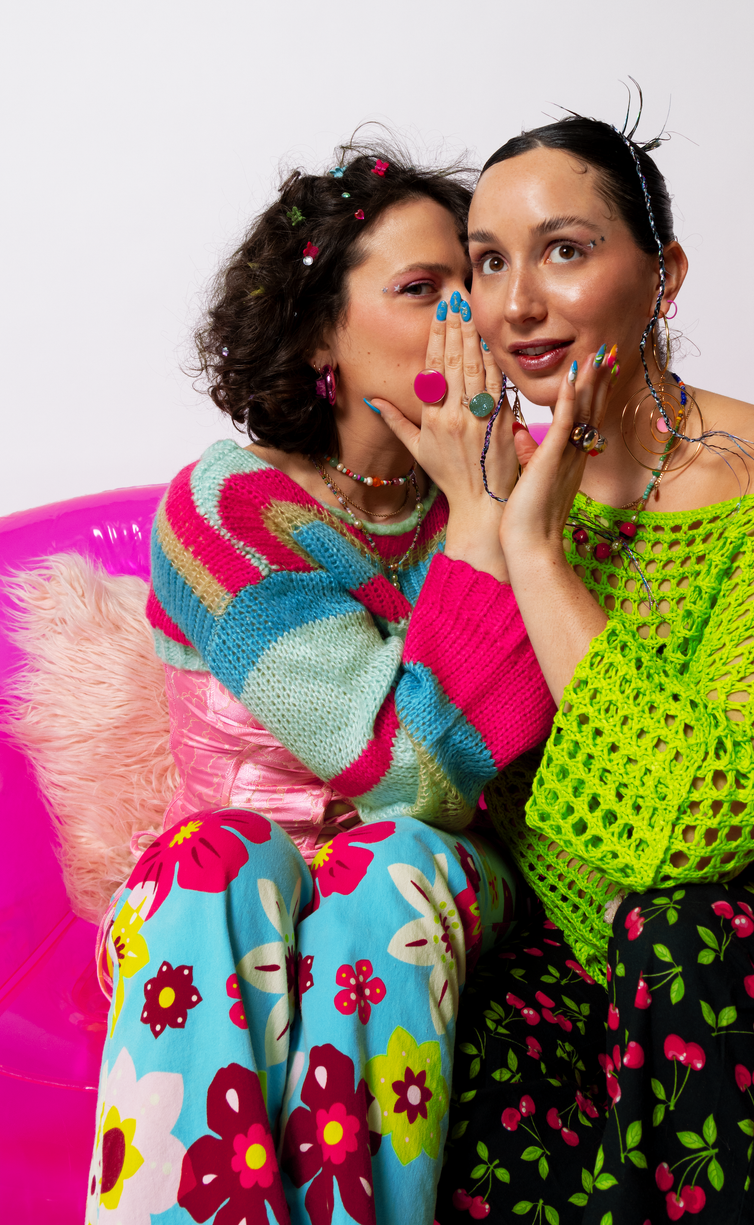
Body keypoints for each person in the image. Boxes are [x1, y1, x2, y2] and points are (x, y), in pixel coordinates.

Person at [426, 115, 754, 1225]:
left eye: (565, 250)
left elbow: (702, 827)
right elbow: (440, 775)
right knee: (451, 1033)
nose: (517, 303)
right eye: (489, 262)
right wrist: (483, 524)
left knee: (673, 939)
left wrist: (537, 554)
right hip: (572, 942)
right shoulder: (483, 487)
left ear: (661, 275)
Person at [85, 145, 557, 1225]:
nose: (470, 317)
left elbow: (416, 799)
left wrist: (485, 514)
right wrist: (483, 524)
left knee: (384, 864)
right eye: (422, 289)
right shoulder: (228, 507)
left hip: (430, 876)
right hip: (230, 888)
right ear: (318, 338)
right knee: (204, 861)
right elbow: (388, 758)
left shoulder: (527, 490)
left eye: (475, 280)